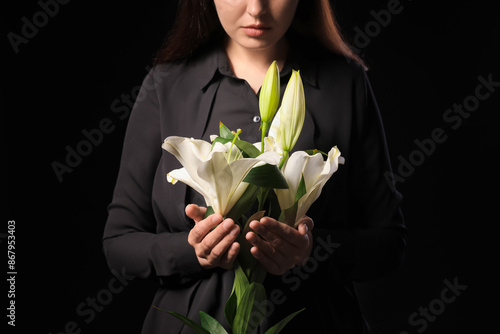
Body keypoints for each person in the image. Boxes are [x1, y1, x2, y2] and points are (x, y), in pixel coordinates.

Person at [103, 0, 406, 333]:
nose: (257, 9)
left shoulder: (345, 82)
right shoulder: (167, 84)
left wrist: (309, 251)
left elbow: (388, 242)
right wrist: (193, 251)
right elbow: (119, 243)